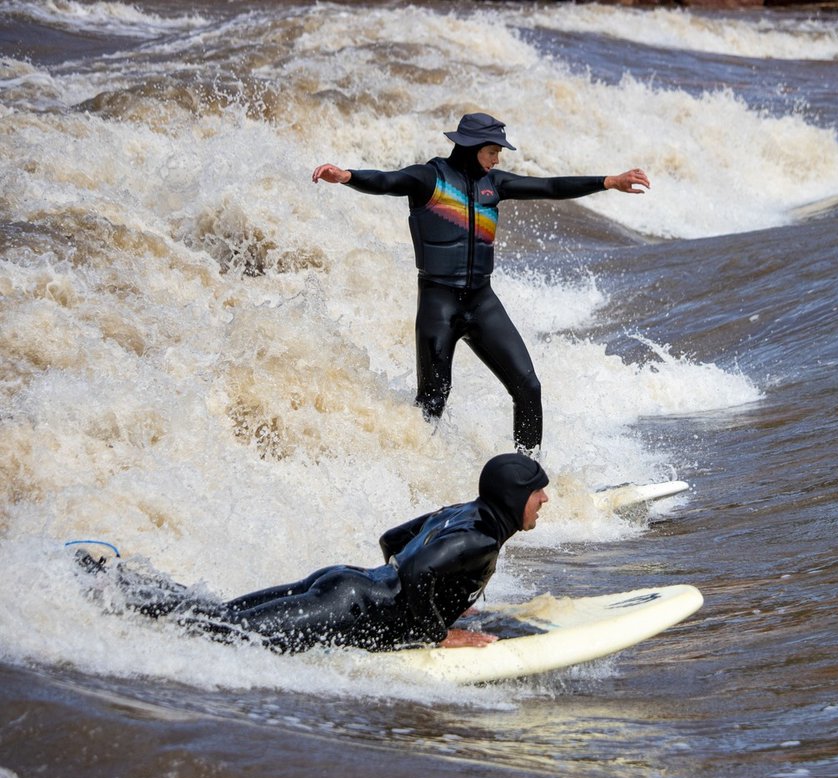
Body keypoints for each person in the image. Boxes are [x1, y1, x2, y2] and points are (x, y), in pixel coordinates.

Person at [312, 112, 650, 453]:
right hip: (438, 304)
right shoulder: (429, 178)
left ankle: (526, 471)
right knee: (432, 403)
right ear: (472, 148)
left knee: (529, 387)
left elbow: (549, 187)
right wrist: (347, 176)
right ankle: (408, 468)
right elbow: (387, 181)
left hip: (482, 302)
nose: (497, 159)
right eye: (492, 151)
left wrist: (608, 181)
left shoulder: (495, 184)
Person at [81, 453, 550, 652]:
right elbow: (416, 571)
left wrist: (442, 599)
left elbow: (393, 541)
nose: (544, 500)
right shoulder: (482, 539)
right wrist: (437, 633)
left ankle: (115, 582)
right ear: (514, 497)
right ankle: (110, 590)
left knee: (219, 618)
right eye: (537, 492)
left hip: (343, 585)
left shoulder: (463, 512)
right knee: (224, 635)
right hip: (347, 610)